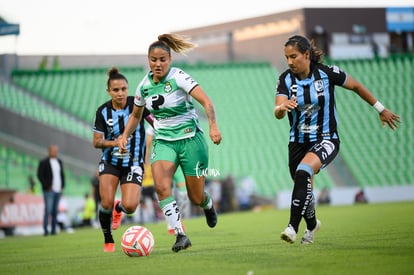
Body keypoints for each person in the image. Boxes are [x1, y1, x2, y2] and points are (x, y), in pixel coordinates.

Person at [274, 35, 400, 245]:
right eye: (286, 57)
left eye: (293, 56)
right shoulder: (285, 79)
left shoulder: (327, 73)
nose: (289, 62)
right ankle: (312, 224)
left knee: (303, 172)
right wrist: (281, 108)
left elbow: (357, 86)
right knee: (304, 189)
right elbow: (278, 110)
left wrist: (381, 109)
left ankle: (292, 228)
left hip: (326, 138)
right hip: (297, 142)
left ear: (306, 55)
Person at [118, 33, 222, 252]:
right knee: (162, 186)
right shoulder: (143, 86)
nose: (158, 64)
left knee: (195, 197)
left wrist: (213, 126)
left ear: (169, 60)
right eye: (154, 60)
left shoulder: (179, 77)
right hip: (164, 141)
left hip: (191, 140)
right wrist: (124, 135)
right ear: (148, 60)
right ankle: (180, 235)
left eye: (162, 60)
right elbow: (136, 115)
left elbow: (206, 101)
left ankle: (207, 203)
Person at [92, 67, 153, 252]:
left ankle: (120, 209)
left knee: (131, 206)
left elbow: (154, 121)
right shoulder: (103, 111)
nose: (120, 93)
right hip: (111, 162)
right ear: (109, 91)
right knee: (105, 203)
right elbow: (96, 142)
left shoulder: (137, 104)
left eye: (124, 89)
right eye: (116, 90)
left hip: (134, 162)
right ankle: (108, 237)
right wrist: (114, 143)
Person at [37, 144, 65, 236]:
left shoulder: (59, 161)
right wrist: (47, 185)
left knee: (55, 211)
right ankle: (45, 230)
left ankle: (53, 230)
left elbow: (62, 175)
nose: (55, 152)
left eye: (56, 150)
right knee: (48, 210)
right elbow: (40, 175)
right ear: (49, 151)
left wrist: (62, 186)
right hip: (49, 190)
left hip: (58, 189)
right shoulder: (44, 162)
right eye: (53, 150)